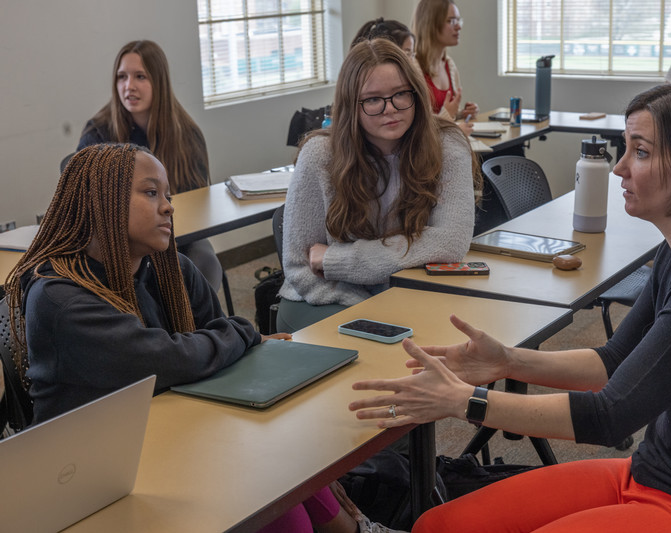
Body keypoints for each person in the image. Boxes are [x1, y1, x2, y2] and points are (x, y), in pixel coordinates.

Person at [349, 81, 671, 533]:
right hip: (658, 473)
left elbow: (610, 416)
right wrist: (507, 361)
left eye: (640, 152)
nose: (621, 167)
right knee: (441, 525)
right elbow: (613, 361)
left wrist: (463, 401)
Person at [3, 143, 393, 533]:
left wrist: (230, 342)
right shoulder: (59, 298)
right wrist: (243, 332)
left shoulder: (171, 270)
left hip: (176, 433)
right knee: (281, 506)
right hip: (95, 476)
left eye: (168, 195)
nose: (168, 206)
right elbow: (172, 360)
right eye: (151, 192)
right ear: (99, 200)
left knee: (292, 463)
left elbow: (220, 351)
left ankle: (360, 529)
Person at [276, 38, 478, 333]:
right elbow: (300, 266)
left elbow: (450, 243)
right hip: (321, 297)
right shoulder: (319, 154)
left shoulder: (447, 143)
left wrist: (339, 260)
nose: (390, 109)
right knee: (389, 348)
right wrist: (369, 306)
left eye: (400, 94)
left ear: (416, 93)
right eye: (372, 99)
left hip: (403, 292)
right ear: (351, 105)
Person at [76, 40, 224, 292]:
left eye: (140, 77)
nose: (129, 86)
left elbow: (199, 202)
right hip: (118, 244)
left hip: (178, 236)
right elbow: (88, 209)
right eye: (122, 77)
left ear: (159, 82)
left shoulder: (186, 133)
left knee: (204, 263)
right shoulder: (98, 134)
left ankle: (199, 328)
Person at [411, 0, 477, 134]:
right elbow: (419, 127)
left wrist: (463, 113)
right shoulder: (413, 66)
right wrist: (451, 122)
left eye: (458, 20)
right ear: (431, 23)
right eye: (452, 21)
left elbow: (447, 115)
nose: (458, 27)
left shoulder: (449, 64)